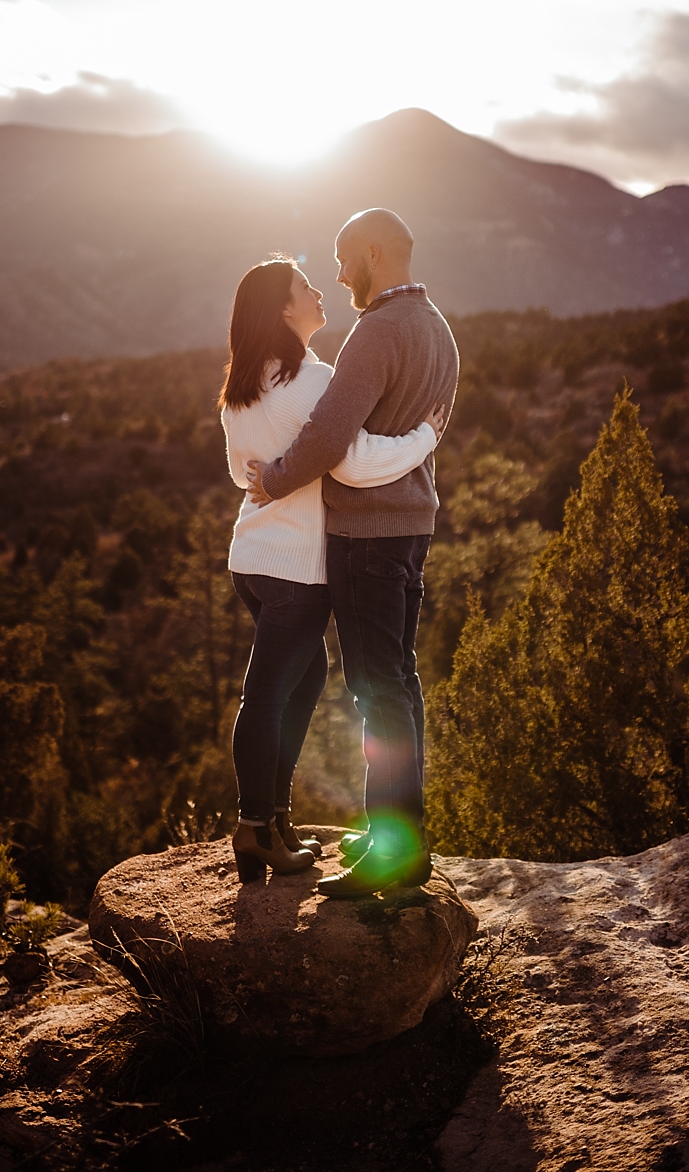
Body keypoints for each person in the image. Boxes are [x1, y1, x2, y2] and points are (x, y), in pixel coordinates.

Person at [245, 209, 459, 897]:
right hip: (412, 528)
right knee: (399, 680)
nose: (337, 276)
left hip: (366, 537)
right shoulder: (438, 329)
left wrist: (273, 478)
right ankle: (400, 833)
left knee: (376, 691)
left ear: (374, 252)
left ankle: (395, 853)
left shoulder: (377, 333)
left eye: (342, 258)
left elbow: (329, 439)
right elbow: (426, 429)